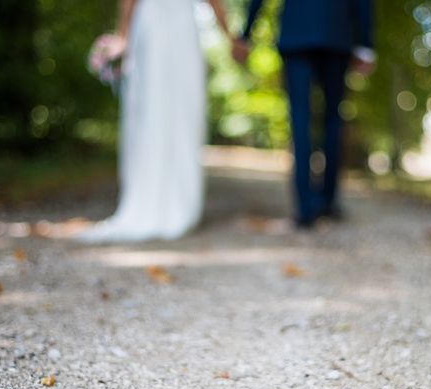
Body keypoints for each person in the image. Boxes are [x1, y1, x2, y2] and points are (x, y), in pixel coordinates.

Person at [78, 0, 231, 243]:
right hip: (179, 26)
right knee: (178, 114)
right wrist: (230, 35)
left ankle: (151, 199)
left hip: (153, 23)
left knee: (153, 111)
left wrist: (123, 34)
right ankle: (180, 202)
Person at [234, 0, 375, 228]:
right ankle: (327, 201)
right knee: (332, 118)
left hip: (297, 30)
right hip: (335, 30)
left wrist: (246, 32)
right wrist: (365, 44)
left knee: (300, 119)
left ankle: (305, 208)